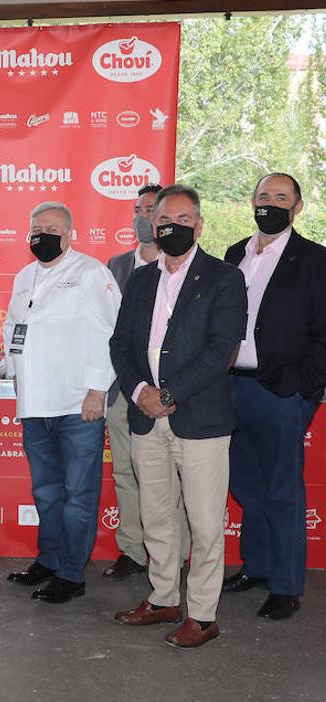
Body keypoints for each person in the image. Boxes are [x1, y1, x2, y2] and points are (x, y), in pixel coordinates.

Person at [110, 184, 247, 649]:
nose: (172, 227)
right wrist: (140, 390)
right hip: (147, 415)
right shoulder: (143, 278)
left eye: (184, 219)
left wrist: (167, 394)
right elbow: (120, 345)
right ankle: (164, 597)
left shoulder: (224, 277)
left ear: (200, 225)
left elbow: (221, 350)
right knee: (156, 516)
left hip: (200, 418)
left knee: (207, 524)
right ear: (153, 224)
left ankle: (204, 614)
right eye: (164, 219)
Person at [2, 203, 121, 603]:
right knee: (47, 493)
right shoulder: (23, 276)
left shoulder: (91, 273)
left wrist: (97, 389)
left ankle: (72, 574)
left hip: (77, 405)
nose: (42, 234)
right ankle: (49, 561)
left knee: (77, 496)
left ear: (70, 234)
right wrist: (14, 372)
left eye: (51, 228)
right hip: (35, 404)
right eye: (36, 228)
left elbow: (111, 334)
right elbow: (12, 329)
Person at [221, 172, 326, 621]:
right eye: (264, 196)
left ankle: (285, 585)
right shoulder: (233, 254)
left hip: (282, 391)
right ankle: (258, 566)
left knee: (282, 489)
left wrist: (304, 388)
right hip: (230, 388)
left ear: (297, 207)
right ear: (251, 201)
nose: (270, 203)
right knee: (245, 483)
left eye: (281, 198)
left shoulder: (316, 260)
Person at [103, 184, 190, 581]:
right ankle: (134, 549)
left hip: (174, 389)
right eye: (138, 209)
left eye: (150, 209)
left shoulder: (190, 266)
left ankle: (177, 553)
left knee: (174, 475)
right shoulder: (117, 264)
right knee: (126, 470)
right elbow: (112, 332)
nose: (143, 216)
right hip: (125, 387)